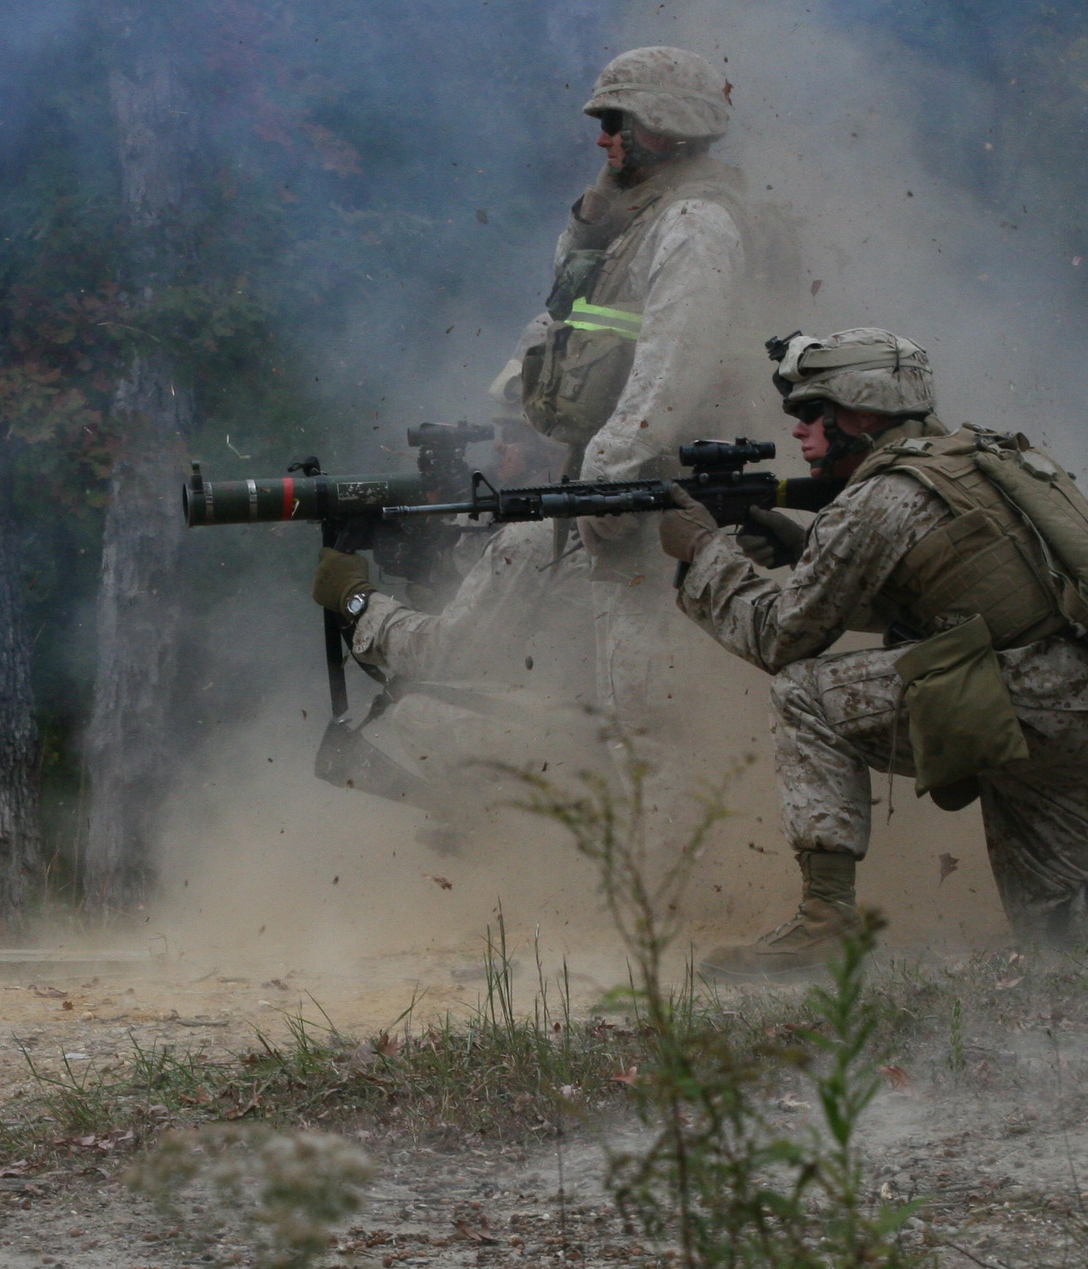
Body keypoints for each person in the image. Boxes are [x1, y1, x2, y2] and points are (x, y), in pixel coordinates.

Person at [662, 329, 1088, 979]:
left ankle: (823, 921)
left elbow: (780, 638)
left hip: (1022, 700)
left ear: (863, 410)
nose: (798, 432)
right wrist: (802, 550)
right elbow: (952, 603)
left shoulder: (877, 496)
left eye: (812, 412)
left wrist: (704, 554)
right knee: (1066, 924)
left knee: (803, 691)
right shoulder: (980, 461)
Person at [308, 45, 796, 807]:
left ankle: (663, 876)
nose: (603, 137)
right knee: (613, 711)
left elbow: (673, 370)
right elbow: (566, 329)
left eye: (616, 121)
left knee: (643, 719)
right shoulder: (628, 219)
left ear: (663, 124)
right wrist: (526, 423)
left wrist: (603, 481)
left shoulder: (696, 224)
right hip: (620, 495)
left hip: (655, 500)